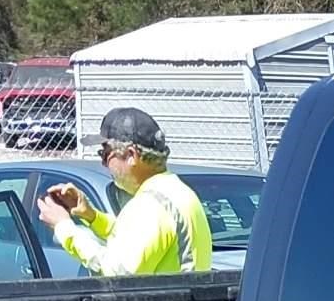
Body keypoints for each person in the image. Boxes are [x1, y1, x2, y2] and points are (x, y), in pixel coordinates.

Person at [35, 107, 212, 276]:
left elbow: (117, 272)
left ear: (131, 156)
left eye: (105, 154)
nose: (104, 163)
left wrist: (63, 227)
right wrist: (92, 217)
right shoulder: (178, 192)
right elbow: (134, 238)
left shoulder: (150, 206)